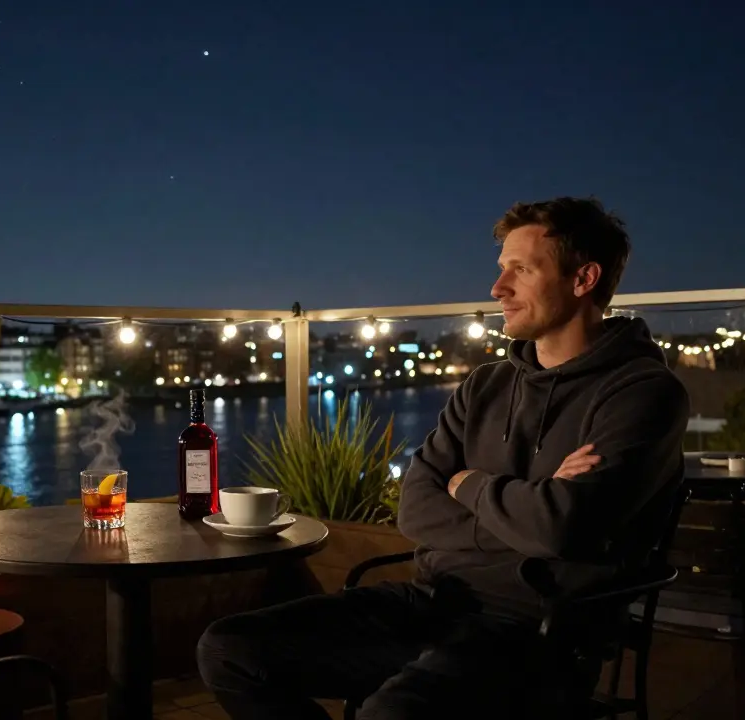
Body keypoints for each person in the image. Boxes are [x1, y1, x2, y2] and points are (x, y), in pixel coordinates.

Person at [197, 196, 690, 719]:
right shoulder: (486, 385)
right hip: (433, 602)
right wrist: (528, 507)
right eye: (502, 269)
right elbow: (414, 509)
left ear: (583, 278)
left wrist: (469, 484)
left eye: (521, 270)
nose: (498, 289)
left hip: (539, 633)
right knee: (229, 650)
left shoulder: (643, 393)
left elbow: (562, 528)